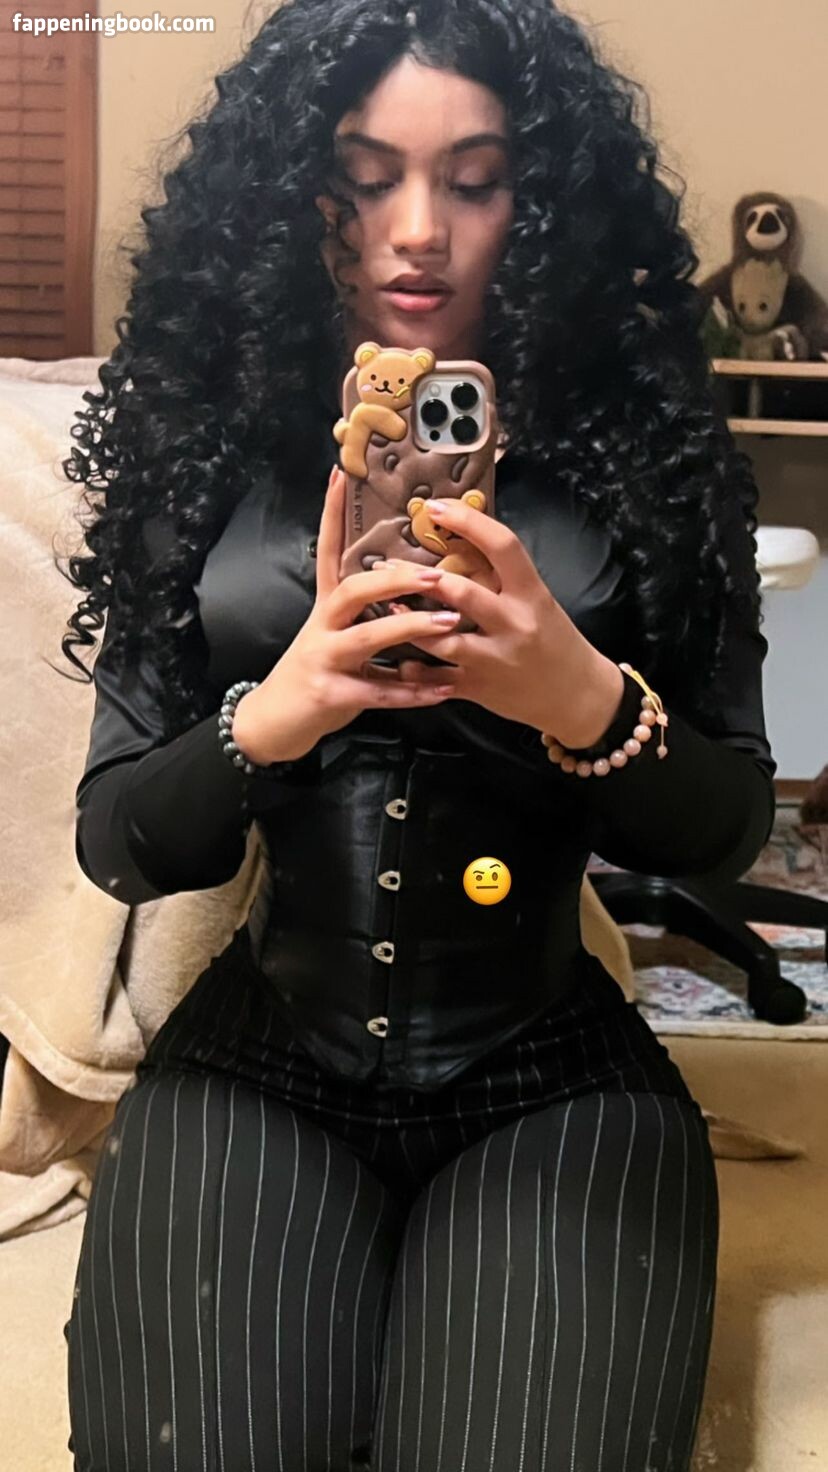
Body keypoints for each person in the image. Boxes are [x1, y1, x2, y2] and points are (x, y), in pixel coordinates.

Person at [58, 1, 777, 1468]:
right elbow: (120, 841)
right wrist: (275, 716)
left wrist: (579, 698)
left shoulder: (645, 448)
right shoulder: (202, 440)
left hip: (554, 1073)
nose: (416, 233)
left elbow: (728, 833)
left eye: (476, 179)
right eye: (364, 176)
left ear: (543, 200)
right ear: (291, 193)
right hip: (259, 1062)